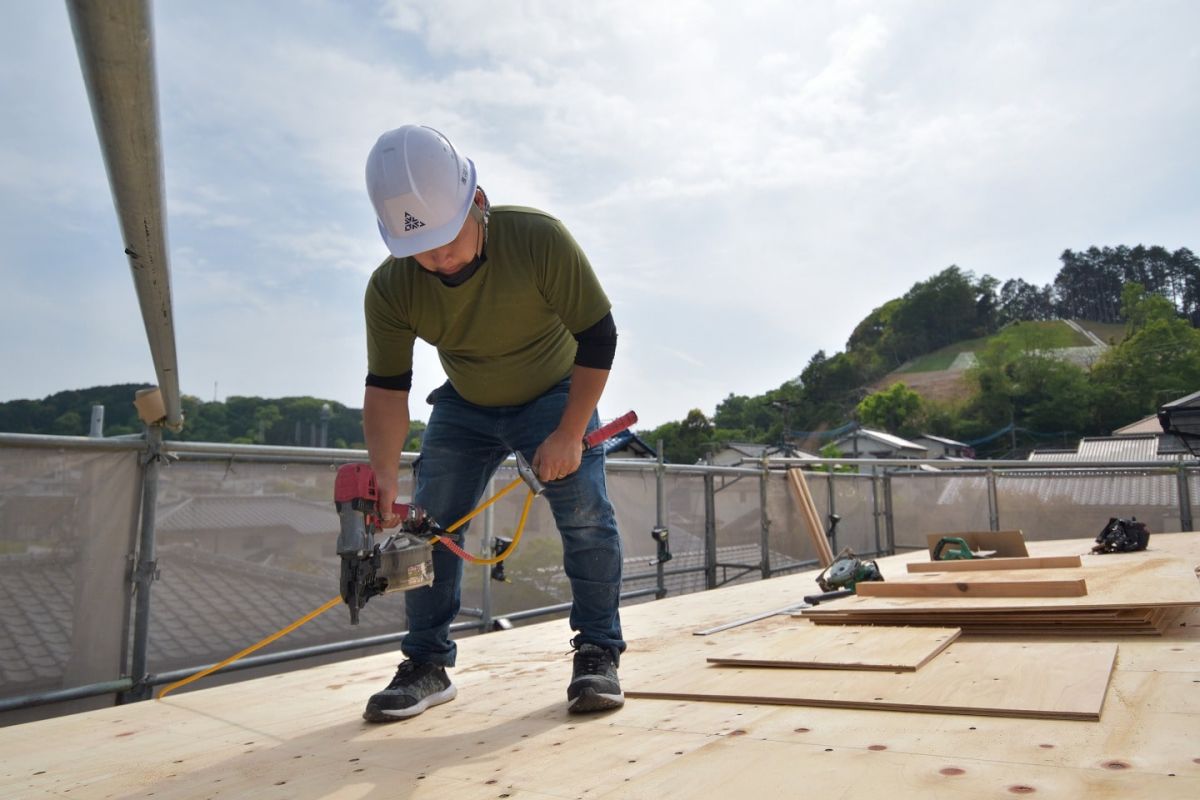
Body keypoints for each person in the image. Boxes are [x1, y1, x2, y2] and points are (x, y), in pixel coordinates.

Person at [359, 124, 626, 722]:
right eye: (420, 249)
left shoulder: (537, 238)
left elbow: (598, 334)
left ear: (477, 202)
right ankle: (426, 665)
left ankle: (598, 651)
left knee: (585, 516)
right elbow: (387, 388)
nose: (438, 258)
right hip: (465, 402)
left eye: (448, 238)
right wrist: (382, 475)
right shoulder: (391, 288)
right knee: (430, 526)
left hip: (557, 392)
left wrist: (567, 433)